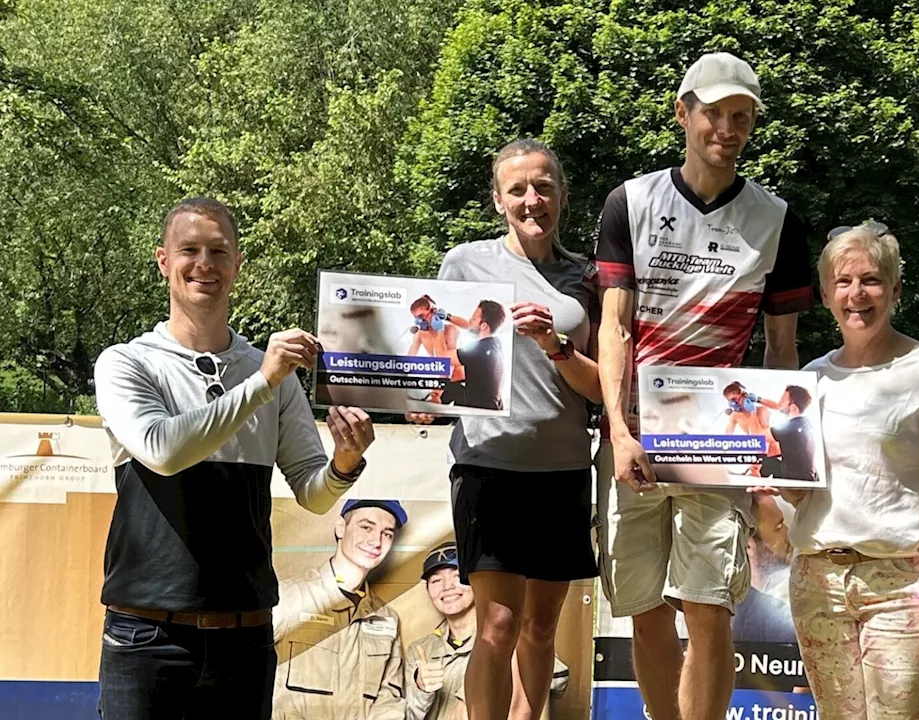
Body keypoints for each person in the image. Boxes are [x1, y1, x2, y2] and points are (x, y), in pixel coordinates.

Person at [589, 51, 814, 720]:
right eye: (713, 113)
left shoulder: (776, 220)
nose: (727, 128)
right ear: (683, 113)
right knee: (646, 608)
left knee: (709, 606)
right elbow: (614, 328)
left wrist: (777, 457)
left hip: (720, 440)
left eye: (740, 117)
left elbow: (781, 348)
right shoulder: (629, 202)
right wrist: (621, 432)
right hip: (635, 438)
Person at [93, 197, 376, 720]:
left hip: (243, 636)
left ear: (237, 264)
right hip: (145, 634)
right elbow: (163, 450)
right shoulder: (127, 362)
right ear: (163, 261)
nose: (205, 264)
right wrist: (262, 382)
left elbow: (314, 495)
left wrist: (344, 462)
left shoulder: (273, 372)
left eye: (219, 251)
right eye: (190, 250)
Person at [753, 221, 919, 719]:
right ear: (826, 295)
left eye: (871, 280)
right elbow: (808, 492)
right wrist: (766, 475)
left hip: (903, 585)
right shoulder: (809, 379)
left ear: (895, 289)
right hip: (818, 583)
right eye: (843, 282)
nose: (857, 294)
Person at [408, 138, 600, 720]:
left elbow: (602, 389)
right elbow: (438, 357)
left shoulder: (589, 278)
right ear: (497, 200)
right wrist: (423, 397)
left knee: (541, 630)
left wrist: (556, 343)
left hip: (564, 471)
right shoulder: (466, 263)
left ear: (562, 195)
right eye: (517, 189)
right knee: (496, 624)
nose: (532, 199)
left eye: (543, 187)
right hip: (486, 467)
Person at [271, 499, 408, 719]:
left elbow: (389, 699)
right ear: (341, 527)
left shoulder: (386, 619)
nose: (376, 541)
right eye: (366, 527)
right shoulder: (289, 596)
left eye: (387, 533)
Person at [405, 544, 570, 720]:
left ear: (477, 582)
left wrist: (475, 695)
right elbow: (409, 715)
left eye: (457, 576)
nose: (447, 587)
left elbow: (558, 680)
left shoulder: (508, 639)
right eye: (436, 581)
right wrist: (420, 688)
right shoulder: (421, 649)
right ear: (428, 590)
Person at [758, 385, 817, 482]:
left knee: (765, 460)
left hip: (796, 481)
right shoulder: (804, 423)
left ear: (793, 407)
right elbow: (779, 407)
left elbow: (758, 437)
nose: (779, 402)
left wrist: (762, 415)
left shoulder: (790, 427)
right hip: (807, 476)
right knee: (772, 460)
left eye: (782, 400)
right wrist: (758, 400)